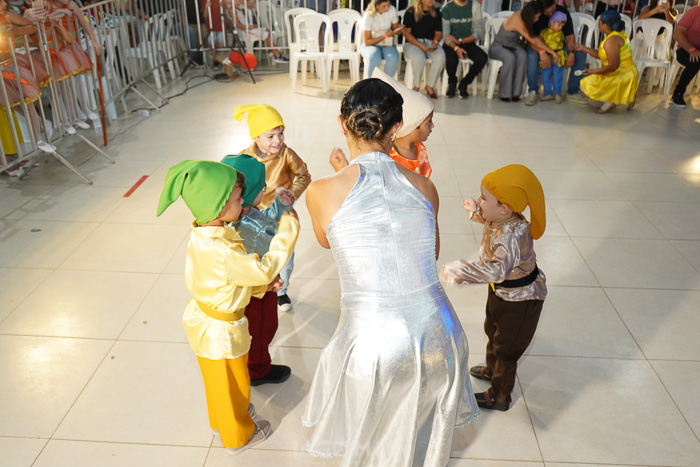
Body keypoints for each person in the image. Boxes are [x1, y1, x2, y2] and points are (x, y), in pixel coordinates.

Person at [303, 78, 478, 465]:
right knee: (419, 438)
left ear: (342, 123)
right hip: (441, 337)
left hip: (374, 343)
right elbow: (430, 253)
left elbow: (327, 241)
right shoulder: (425, 187)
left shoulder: (319, 191)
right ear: (397, 128)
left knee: (372, 440)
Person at [156, 160, 299, 455]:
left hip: (208, 321)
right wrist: (288, 230)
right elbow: (261, 269)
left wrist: (261, 288)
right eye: (236, 199)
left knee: (219, 382)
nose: (241, 202)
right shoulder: (223, 249)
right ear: (219, 207)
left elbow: (224, 280)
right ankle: (237, 436)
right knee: (231, 380)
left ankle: (222, 418)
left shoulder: (203, 234)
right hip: (221, 333)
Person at [439, 164, 546, 412]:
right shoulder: (505, 219)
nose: (479, 200)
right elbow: (492, 221)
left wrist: (460, 271)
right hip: (502, 292)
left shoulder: (510, 238)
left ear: (504, 208)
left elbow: (497, 270)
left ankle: (500, 395)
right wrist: (477, 212)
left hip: (520, 300)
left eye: (483, 198)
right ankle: (492, 368)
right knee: (493, 330)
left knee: (506, 348)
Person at [220, 154, 297, 386]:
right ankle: (257, 370)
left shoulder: (244, 213)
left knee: (259, 330)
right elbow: (254, 261)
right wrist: (267, 284)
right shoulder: (241, 229)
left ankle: (254, 363)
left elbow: (265, 220)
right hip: (258, 291)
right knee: (260, 330)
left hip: (260, 283)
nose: (265, 189)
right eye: (262, 187)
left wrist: (280, 206)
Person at [235, 103, 311, 311]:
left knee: (284, 255)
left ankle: (281, 291)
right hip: (253, 217)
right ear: (256, 137)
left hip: (282, 216)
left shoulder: (287, 154)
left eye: (281, 133)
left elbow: (304, 176)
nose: (278, 140)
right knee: (257, 253)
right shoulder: (245, 157)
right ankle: (259, 286)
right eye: (270, 136)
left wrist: (289, 195)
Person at [329, 67, 435, 177]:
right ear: (410, 127)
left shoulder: (420, 149)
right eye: (428, 122)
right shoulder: (386, 155)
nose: (433, 126)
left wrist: (344, 173)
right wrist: (344, 171)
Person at [489, 0, 559, 102]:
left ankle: (516, 92)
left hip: (514, 45)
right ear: (530, 16)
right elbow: (533, 39)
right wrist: (551, 52)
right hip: (499, 46)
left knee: (523, 55)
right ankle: (505, 93)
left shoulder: (524, 15)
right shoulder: (518, 20)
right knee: (510, 58)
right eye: (535, 18)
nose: (537, 20)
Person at [524, 0, 588, 105]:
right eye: (547, 13)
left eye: (552, 10)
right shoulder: (536, 15)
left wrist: (571, 52)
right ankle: (533, 91)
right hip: (538, 46)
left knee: (580, 54)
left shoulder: (562, 12)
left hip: (557, 46)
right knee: (531, 55)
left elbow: (569, 36)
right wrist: (541, 52)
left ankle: (572, 92)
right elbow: (530, 41)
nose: (551, 14)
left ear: (554, 4)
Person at [578, 10, 639, 113]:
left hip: (621, 75)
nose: (598, 24)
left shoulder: (611, 41)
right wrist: (583, 48)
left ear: (605, 25)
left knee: (585, 85)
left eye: (599, 21)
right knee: (592, 97)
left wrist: (592, 72)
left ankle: (611, 101)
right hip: (628, 72)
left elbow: (613, 66)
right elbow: (603, 55)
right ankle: (624, 95)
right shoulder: (619, 34)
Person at [441, 0, 487, 98]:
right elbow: (446, 36)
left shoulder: (475, 6)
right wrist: (456, 48)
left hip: (468, 42)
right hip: (451, 44)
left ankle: (464, 83)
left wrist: (460, 41)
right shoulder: (447, 8)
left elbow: (477, 33)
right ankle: (452, 82)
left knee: (482, 58)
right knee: (451, 60)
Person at [402, 0, 446, 99]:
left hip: (430, 42)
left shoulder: (436, 12)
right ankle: (416, 86)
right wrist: (421, 46)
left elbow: (439, 33)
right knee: (418, 58)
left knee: (440, 56)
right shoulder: (411, 11)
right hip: (413, 43)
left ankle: (429, 85)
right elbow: (407, 34)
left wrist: (435, 42)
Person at [360, 0, 402, 78]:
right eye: (384, 6)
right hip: (370, 45)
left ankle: (385, 83)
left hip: (387, 44)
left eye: (388, 5)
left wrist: (399, 30)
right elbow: (367, 42)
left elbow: (395, 29)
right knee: (373, 56)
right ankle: (370, 83)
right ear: (377, 5)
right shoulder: (368, 15)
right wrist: (385, 36)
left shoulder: (392, 10)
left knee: (393, 57)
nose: (387, 8)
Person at [671, 5, 700, 108]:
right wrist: (691, 49)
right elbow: (677, 33)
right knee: (696, 60)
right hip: (685, 49)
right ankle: (678, 93)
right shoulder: (694, 12)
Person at [539, 11, 568, 103]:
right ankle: (547, 92)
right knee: (545, 75)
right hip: (547, 57)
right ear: (552, 22)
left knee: (558, 74)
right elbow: (540, 42)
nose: (560, 28)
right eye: (559, 25)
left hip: (558, 56)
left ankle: (557, 93)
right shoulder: (543, 32)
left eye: (562, 26)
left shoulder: (560, 33)